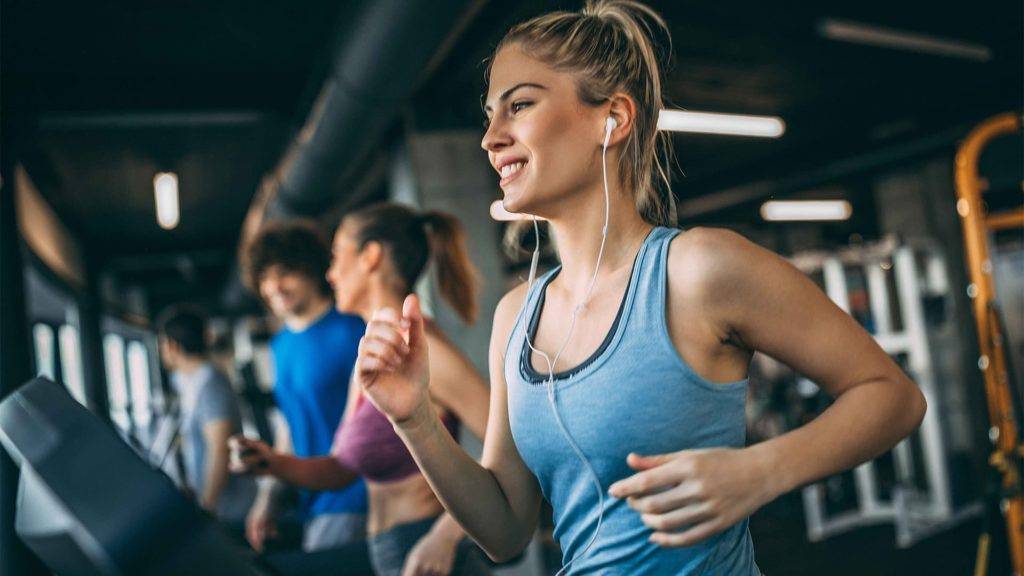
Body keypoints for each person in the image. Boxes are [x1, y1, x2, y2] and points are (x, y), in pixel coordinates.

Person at [349, 1, 928, 575]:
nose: (490, 138)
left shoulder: (697, 269)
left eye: (519, 105)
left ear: (613, 119)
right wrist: (414, 420)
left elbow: (892, 394)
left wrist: (762, 470)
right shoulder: (515, 315)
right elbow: (505, 531)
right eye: (490, 113)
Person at [232, 203, 492, 576]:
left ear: (370, 257)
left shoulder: (421, 348)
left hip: (429, 553)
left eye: (337, 257)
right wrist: (269, 462)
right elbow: (341, 469)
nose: (331, 273)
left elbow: (513, 449)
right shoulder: (368, 354)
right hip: (387, 551)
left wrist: (446, 535)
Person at [242, 220, 368, 553]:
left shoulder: (354, 329)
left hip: (354, 498)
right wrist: (266, 499)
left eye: (285, 273)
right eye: (265, 278)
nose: (274, 287)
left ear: (313, 271)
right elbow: (289, 426)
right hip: (307, 498)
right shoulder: (279, 346)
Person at [157, 305, 256, 526]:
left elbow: (219, 449)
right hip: (215, 505)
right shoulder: (188, 382)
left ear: (172, 346)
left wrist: (208, 507)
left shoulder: (210, 383)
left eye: (162, 344)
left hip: (230, 511)